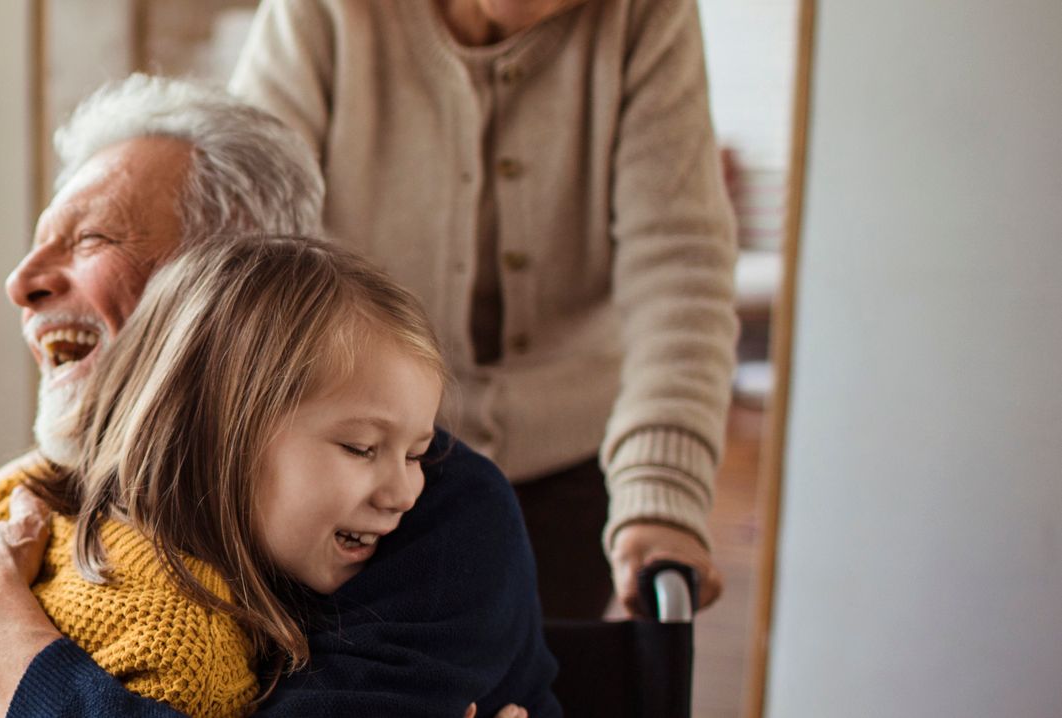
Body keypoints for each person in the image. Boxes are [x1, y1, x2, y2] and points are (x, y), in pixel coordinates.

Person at [0, 76, 555, 718]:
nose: (20, 281)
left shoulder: (437, 513)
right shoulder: (53, 500)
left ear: (234, 291)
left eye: (90, 239)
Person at [227, 0, 740, 619]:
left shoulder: (647, 15)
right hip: (354, 453)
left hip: (567, 461)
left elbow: (679, 266)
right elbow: (246, 240)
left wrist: (662, 495)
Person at [0, 236, 456, 717]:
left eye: (415, 454)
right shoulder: (187, 648)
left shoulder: (35, 502)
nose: (403, 494)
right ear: (217, 432)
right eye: (360, 447)